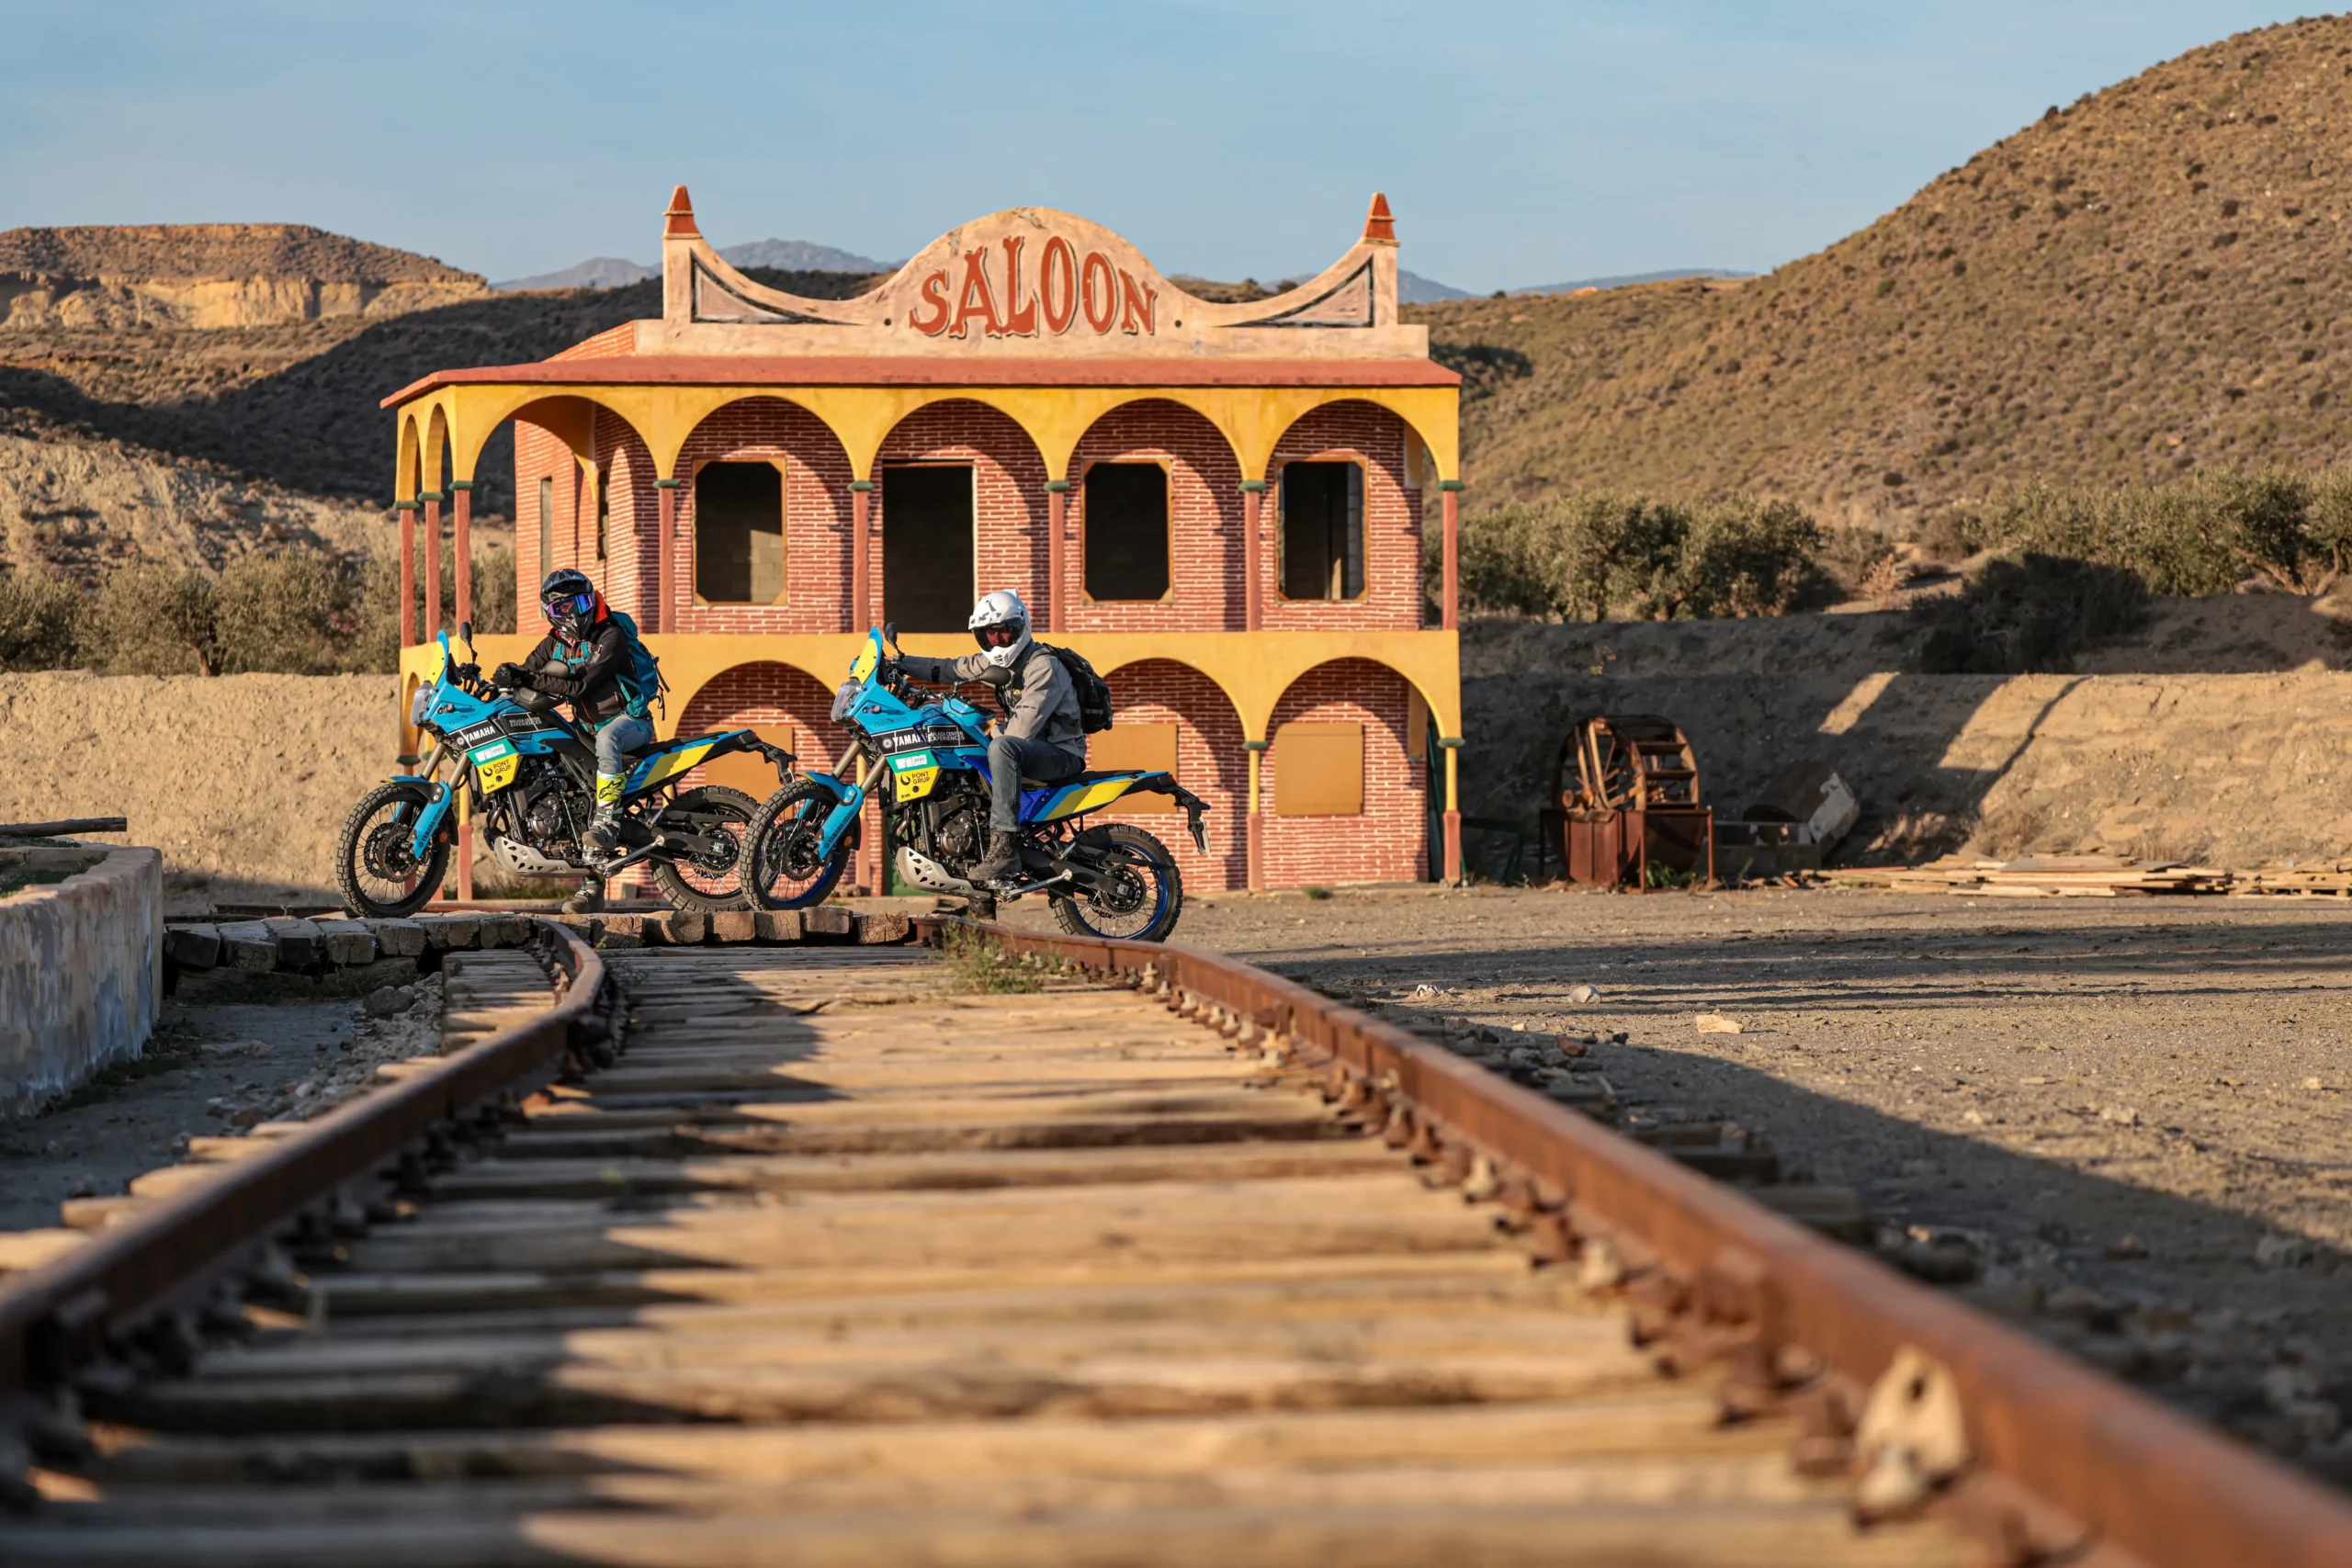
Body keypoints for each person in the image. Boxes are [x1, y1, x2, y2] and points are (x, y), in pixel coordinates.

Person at [889, 589, 1083, 886]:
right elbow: (950, 668)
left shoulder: (1043, 666)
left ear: (1019, 628)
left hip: (1060, 755)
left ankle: (1004, 847)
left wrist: (982, 730)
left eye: (1003, 634)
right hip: (1031, 751)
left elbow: (1020, 731)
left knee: (1001, 746)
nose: (996, 642)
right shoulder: (999, 662)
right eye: (988, 635)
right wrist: (898, 663)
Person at [493, 568, 651, 914]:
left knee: (609, 738)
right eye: (562, 608)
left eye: (579, 603)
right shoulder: (554, 643)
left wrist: (530, 676)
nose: (573, 613)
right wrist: (502, 679)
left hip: (629, 723)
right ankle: (592, 889)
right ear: (550, 613)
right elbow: (528, 672)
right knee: (577, 790)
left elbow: (580, 686)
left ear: (591, 600)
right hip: (586, 730)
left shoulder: (609, 635)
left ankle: (608, 822)